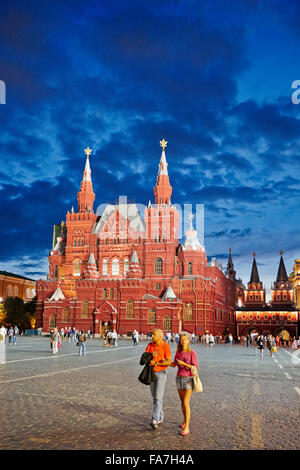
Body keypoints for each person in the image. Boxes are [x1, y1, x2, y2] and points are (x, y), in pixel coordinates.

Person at [171, 333, 198, 436]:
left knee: (186, 403)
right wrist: (162, 362)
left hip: (188, 379)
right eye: (181, 340)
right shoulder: (178, 353)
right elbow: (174, 364)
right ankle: (184, 420)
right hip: (179, 379)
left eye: (185, 339)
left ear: (188, 341)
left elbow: (195, 367)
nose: (183, 341)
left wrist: (184, 364)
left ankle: (187, 427)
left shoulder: (192, 353)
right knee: (182, 403)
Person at [145, 329, 172, 429]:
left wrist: (157, 363)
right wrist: (152, 356)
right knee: (155, 397)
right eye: (152, 334)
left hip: (161, 373)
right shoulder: (150, 345)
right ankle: (160, 416)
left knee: (158, 397)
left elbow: (169, 362)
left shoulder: (165, 346)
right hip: (151, 373)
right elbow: (144, 358)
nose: (152, 336)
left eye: (154, 334)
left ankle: (154, 419)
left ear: (160, 336)